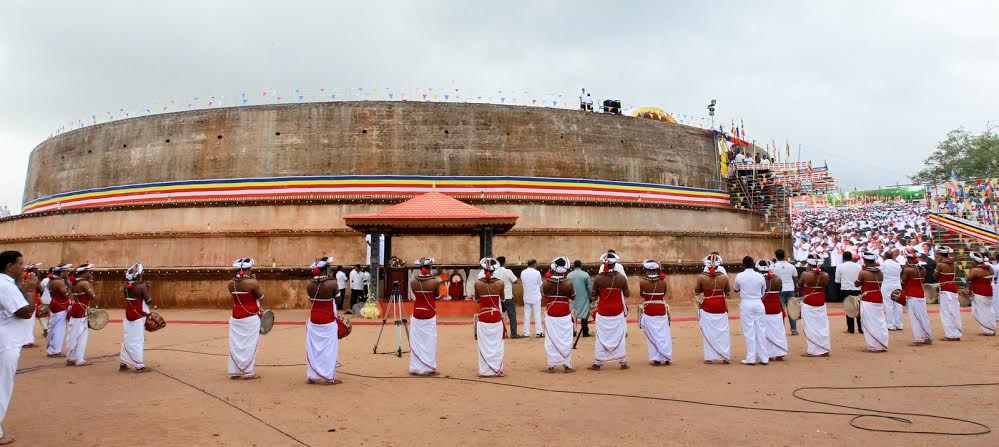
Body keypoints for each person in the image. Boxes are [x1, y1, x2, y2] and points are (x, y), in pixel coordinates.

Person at [0, 251, 34, 445]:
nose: (23, 267)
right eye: (20, 264)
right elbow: (25, 312)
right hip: (6, 343)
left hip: (6, 340)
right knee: (2, 386)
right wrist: (30, 291)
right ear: (9, 266)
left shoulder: (7, 284)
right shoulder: (4, 285)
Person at [588, 251, 629, 370]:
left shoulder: (598, 278)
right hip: (617, 311)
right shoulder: (621, 278)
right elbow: (627, 293)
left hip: (603, 311)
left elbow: (593, 296)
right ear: (615, 264)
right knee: (619, 336)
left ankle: (598, 362)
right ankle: (623, 361)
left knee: (602, 336)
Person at [305, 257, 341, 384]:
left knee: (313, 348)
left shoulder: (309, 284)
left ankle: (312, 375)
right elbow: (338, 300)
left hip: (314, 320)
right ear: (326, 269)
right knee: (329, 349)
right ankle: (328, 377)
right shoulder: (332, 283)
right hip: (328, 320)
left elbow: (311, 299)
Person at [227, 258, 263, 380]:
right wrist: (255, 280)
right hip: (250, 316)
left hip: (236, 316)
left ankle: (235, 371)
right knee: (249, 344)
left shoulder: (230, 283)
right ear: (249, 269)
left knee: (236, 344)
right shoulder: (252, 283)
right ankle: (248, 372)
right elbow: (260, 296)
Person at [542, 257, 575, 373]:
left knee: (551, 339)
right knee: (565, 338)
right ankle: (567, 365)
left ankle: (551, 365)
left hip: (551, 312)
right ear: (565, 270)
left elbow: (545, 296)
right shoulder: (568, 283)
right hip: (564, 312)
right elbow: (573, 296)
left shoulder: (546, 282)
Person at [696, 254, 731, 364]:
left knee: (709, 332)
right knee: (723, 332)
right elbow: (728, 293)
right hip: (720, 306)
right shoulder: (724, 278)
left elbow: (697, 291)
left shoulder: (701, 277)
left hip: (707, 306)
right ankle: (724, 355)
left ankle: (709, 357)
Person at [409, 257, 441, 376]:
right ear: (430, 267)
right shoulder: (435, 281)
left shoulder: (413, 281)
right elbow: (436, 295)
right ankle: (428, 367)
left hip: (417, 312)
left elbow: (415, 294)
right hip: (429, 313)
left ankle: (416, 368)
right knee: (429, 341)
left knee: (417, 340)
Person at [733, 256, 768, 365]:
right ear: (753, 264)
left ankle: (751, 357)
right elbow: (764, 289)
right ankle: (764, 357)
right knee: (761, 330)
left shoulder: (740, 276)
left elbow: (735, 288)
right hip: (758, 302)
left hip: (746, 303)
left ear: (743, 265)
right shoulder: (760, 276)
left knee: (749, 331)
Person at [474, 258, 505, 377]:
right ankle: (497, 369)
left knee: (484, 344)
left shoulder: (477, 283)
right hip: (496, 316)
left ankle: (484, 370)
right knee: (497, 344)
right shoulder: (500, 283)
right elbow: (502, 298)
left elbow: (477, 300)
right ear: (494, 270)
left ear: (483, 269)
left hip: (483, 316)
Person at [119, 264, 153, 372]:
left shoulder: (126, 287)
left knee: (128, 338)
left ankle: (123, 362)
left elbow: (131, 297)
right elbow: (149, 301)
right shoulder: (141, 287)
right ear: (140, 275)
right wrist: (147, 288)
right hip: (138, 315)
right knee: (138, 340)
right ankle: (139, 365)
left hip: (128, 315)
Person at [638, 260, 672, 366]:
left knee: (653, 335)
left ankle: (656, 358)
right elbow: (664, 294)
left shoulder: (642, 282)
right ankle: (666, 357)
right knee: (664, 335)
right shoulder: (663, 282)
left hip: (649, 310)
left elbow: (642, 295)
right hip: (661, 309)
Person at [797, 254, 831, 357]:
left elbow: (799, 285)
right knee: (822, 325)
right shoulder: (825, 275)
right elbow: (824, 286)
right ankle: (824, 348)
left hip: (809, 302)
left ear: (808, 264)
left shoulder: (805, 274)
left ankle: (813, 350)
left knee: (811, 326)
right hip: (820, 301)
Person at [856, 251, 888, 352]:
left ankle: (874, 346)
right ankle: (882, 343)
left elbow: (857, 284)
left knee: (869, 322)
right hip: (878, 298)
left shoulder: (863, 272)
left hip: (868, 299)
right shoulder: (880, 273)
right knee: (880, 321)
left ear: (865, 261)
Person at [66, 264, 96, 367]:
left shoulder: (73, 282)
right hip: (81, 310)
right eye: (89, 271)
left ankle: (70, 358)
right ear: (86, 272)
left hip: (75, 307)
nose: (90, 273)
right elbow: (93, 296)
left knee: (73, 333)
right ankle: (79, 359)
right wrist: (91, 282)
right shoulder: (84, 283)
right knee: (82, 335)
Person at [900, 251, 932, 345]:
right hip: (920, 294)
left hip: (912, 295)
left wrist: (905, 268)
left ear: (909, 259)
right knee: (923, 316)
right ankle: (927, 337)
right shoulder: (923, 269)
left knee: (914, 318)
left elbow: (903, 281)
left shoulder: (908, 270)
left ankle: (919, 339)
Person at [757, 260, 787, 361]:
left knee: (764, 331)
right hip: (776, 307)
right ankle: (780, 352)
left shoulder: (759, 279)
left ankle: (768, 354)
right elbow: (780, 290)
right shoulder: (778, 279)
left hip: (764, 307)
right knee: (778, 330)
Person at [933, 246, 962, 341]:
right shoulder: (954, 263)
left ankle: (950, 335)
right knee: (954, 311)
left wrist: (937, 265)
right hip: (953, 288)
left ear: (941, 255)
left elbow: (935, 277)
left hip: (946, 290)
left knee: (946, 313)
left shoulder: (940, 265)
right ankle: (956, 333)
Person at [44, 264, 72, 358]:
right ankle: (54, 350)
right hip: (59, 306)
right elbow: (66, 294)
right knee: (59, 328)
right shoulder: (59, 282)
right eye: (66, 271)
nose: (67, 273)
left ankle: (52, 348)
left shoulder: (52, 280)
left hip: (56, 304)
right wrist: (69, 285)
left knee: (55, 327)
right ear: (61, 272)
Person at [966, 251, 995, 336]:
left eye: (972, 261)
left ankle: (988, 330)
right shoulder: (989, 268)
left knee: (982, 311)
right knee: (989, 310)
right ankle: (991, 328)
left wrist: (967, 276)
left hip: (980, 293)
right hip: (989, 291)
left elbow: (969, 278)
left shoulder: (975, 270)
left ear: (975, 262)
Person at [772, 249, 798, 335]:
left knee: (781, 311)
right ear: (784, 255)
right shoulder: (791, 266)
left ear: (776, 256)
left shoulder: (773, 267)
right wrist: (795, 289)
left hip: (780, 290)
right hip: (790, 289)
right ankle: (794, 329)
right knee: (792, 310)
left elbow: (772, 279)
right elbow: (795, 279)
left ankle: (781, 329)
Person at [836, 252, 863, 334]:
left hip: (846, 289)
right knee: (858, 308)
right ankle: (861, 328)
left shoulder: (840, 266)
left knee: (849, 308)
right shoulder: (858, 266)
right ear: (851, 257)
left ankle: (851, 329)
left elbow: (837, 280)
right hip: (857, 289)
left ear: (843, 258)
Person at [494, 256, 521, 338]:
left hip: (498, 298)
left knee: (498, 316)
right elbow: (516, 281)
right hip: (508, 296)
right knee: (512, 316)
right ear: (504, 263)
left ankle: (498, 334)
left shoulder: (494, 272)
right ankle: (513, 334)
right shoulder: (508, 271)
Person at [17, 263, 41, 348]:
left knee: (26, 322)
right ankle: (27, 341)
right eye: (36, 269)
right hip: (30, 299)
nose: (37, 270)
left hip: (25, 300)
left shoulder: (22, 276)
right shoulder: (32, 277)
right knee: (29, 322)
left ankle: (27, 340)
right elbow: (39, 287)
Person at [880, 249, 904, 331]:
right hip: (896, 285)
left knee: (888, 305)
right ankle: (899, 324)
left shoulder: (883, 264)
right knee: (898, 304)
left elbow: (880, 273)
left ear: (885, 257)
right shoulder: (897, 264)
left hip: (886, 285)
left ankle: (891, 325)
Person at [567, 260, 592, 337]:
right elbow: (589, 287)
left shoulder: (569, 275)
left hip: (572, 298)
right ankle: (585, 331)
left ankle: (573, 331)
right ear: (581, 265)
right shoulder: (585, 275)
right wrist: (591, 297)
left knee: (573, 314)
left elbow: (567, 287)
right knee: (584, 314)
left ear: (573, 266)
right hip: (583, 298)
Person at [520, 259, 543, 338]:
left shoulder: (523, 272)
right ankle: (539, 332)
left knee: (527, 315)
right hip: (536, 296)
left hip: (527, 296)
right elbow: (540, 284)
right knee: (537, 314)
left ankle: (526, 332)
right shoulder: (537, 273)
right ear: (533, 264)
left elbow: (523, 283)